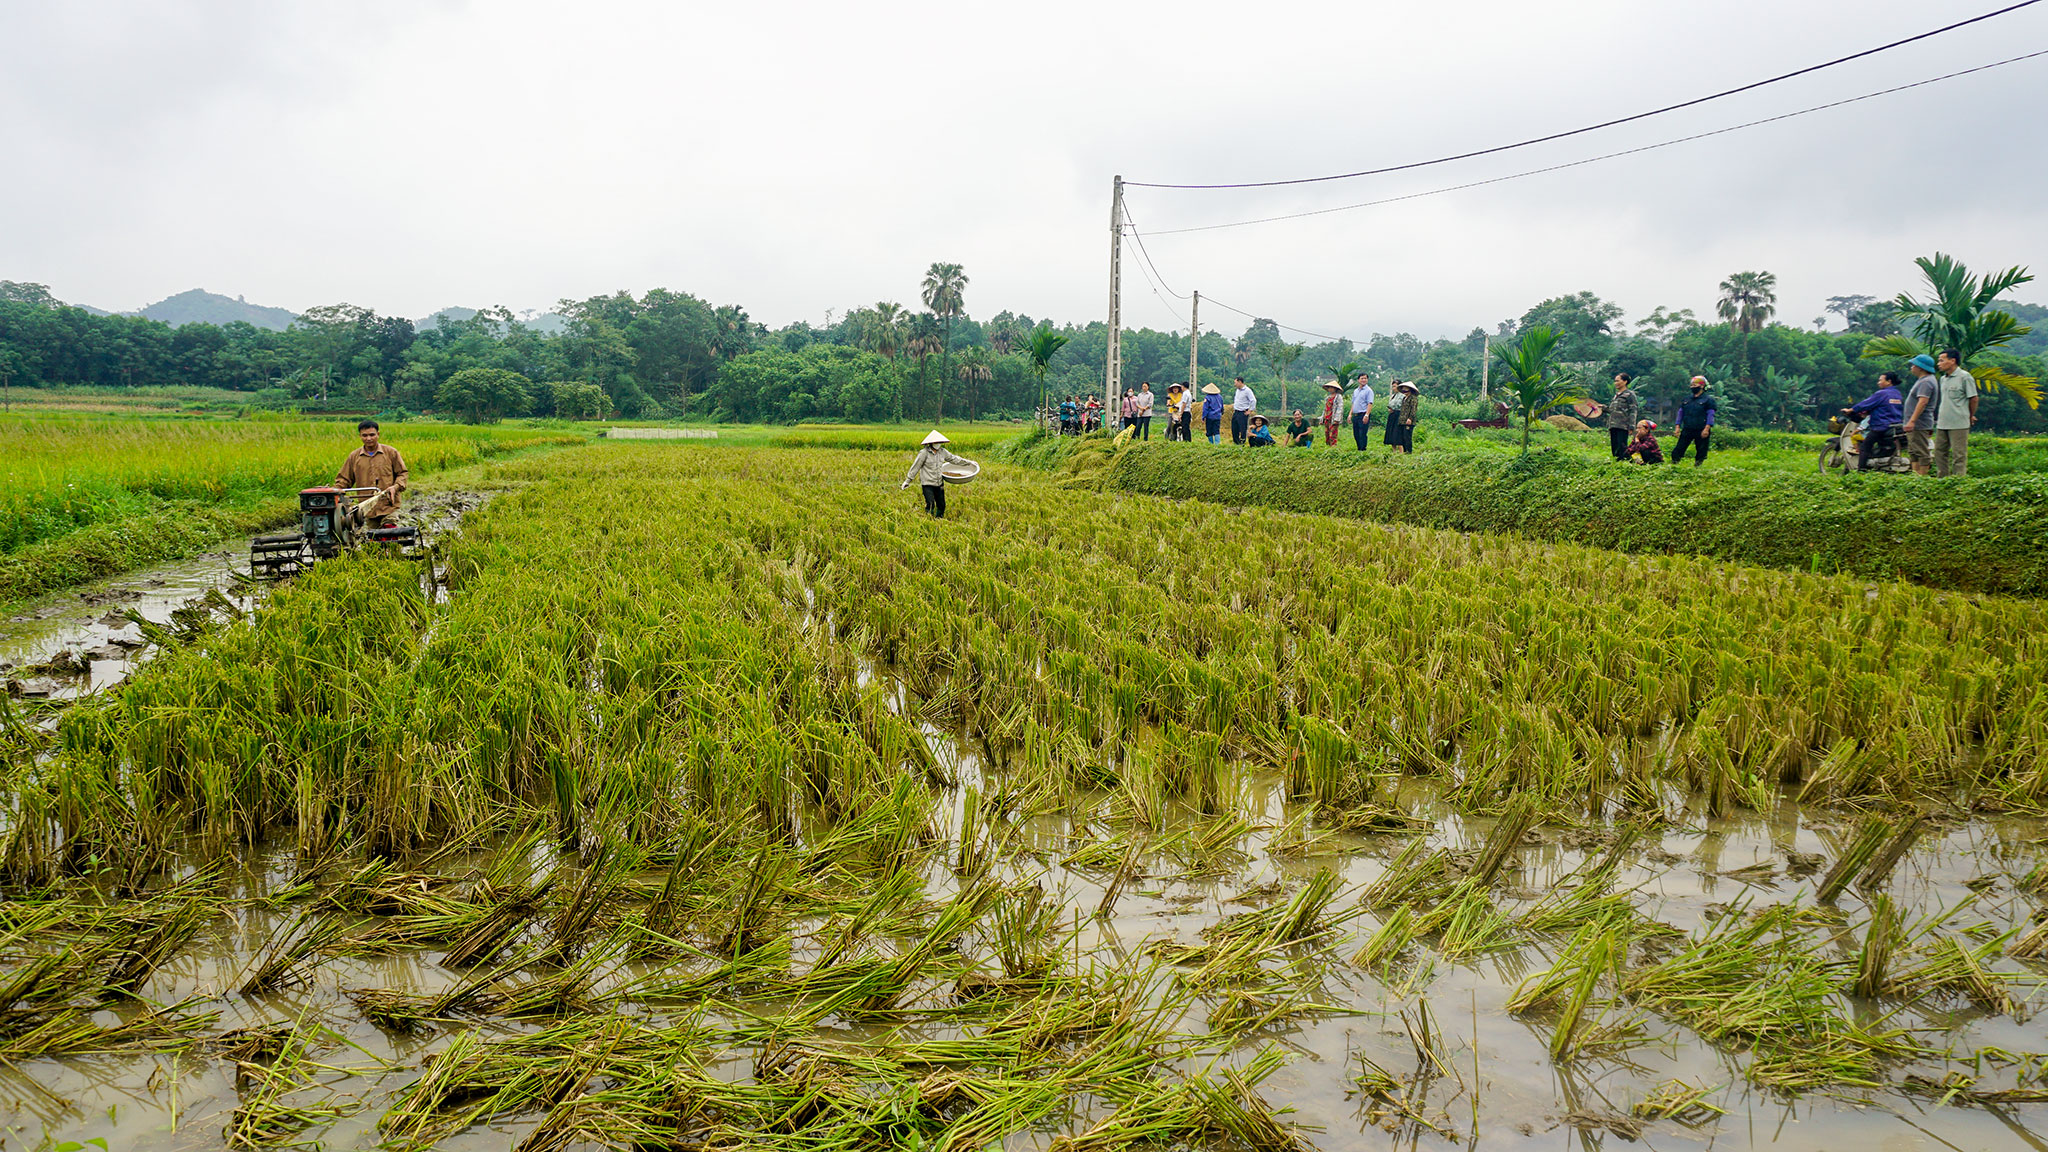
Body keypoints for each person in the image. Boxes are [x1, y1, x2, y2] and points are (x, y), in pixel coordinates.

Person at [333, 419, 408, 529]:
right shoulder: (354, 457)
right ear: (360, 436)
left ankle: (392, 544)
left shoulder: (391, 453)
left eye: (372, 435)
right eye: (365, 435)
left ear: (378, 434)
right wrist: (334, 493)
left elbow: (402, 473)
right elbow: (344, 480)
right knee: (373, 538)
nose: (368, 438)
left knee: (389, 529)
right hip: (367, 507)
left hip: (389, 504)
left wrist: (395, 487)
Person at [1845, 371, 1905, 471]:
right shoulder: (1897, 393)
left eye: (1880, 380)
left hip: (1881, 426)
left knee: (1865, 447)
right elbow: (1885, 407)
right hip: (1895, 425)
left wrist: (1851, 410)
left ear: (1889, 381)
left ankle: (1861, 470)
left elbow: (1866, 403)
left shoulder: (1882, 393)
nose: (1878, 382)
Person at [1932, 348, 1979, 477]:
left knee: (1959, 454)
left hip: (1959, 422)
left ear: (1952, 361)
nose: (1938, 363)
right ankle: (1942, 479)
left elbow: (1973, 398)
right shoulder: (1943, 379)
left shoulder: (1965, 377)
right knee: (1939, 452)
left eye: (1942, 360)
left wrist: (1970, 415)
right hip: (1943, 422)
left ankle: (1958, 480)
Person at [901, 430, 968, 518]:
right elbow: (916, 467)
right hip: (927, 483)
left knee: (942, 505)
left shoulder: (943, 452)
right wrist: (908, 480)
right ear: (931, 443)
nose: (938, 444)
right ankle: (929, 520)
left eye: (940, 442)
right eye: (936, 442)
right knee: (931, 504)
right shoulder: (924, 453)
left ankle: (939, 520)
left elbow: (954, 459)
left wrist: (969, 462)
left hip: (939, 483)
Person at [1588, 373, 1639, 461]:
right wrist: (1603, 408)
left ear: (1625, 381)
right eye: (1615, 381)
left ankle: (1626, 463)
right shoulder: (1616, 395)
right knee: (1614, 447)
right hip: (1613, 425)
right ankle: (1617, 463)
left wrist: (1632, 426)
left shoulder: (1629, 395)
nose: (1615, 383)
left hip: (1623, 425)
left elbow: (1633, 411)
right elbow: (1612, 410)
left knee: (1622, 446)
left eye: (1617, 381)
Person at [1903, 354, 1940, 475]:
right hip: (1915, 424)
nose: (1912, 367)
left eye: (1914, 365)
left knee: (1921, 451)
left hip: (1919, 423)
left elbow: (1923, 401)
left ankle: (1922, 476)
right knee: (1913, 451)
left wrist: (1912, 421)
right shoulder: (1923, 381)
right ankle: (1915, 475)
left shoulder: (1926, 382)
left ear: (1921, 368)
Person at [1669, 376, 1716, 466]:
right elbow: (1680, 413)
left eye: (1695, 384)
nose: (1693, 386)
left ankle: (1697, 467)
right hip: (1687, 428)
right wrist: (1677, 426)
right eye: (1692, 384)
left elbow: (1711, 414)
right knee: (1679, 449)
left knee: (1701, 450)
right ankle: (1674, 465)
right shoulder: (1687, 399)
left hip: (1701, 428)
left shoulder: (1708, 400)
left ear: (1702, 386)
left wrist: (1707, 428)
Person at [1390, 381, 1419, 454]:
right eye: (1403, 390)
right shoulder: (1404, 398)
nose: (1404, 391)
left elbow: (1413, 410)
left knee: (1407, 437)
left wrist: (1410, 418)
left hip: (1409, 421)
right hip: (1402, 420)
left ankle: (1409, 451)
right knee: (1402, 437)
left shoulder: (1413, 398)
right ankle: (1405, 451)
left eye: (1406, 390)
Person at [1349, 375, 1375, 450]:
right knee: (1356, 433)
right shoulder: (1356, 391)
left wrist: (1367, 415)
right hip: (1356, 415)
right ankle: (1358, 448)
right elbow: (1353, 403)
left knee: (1362, 433)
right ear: (1358, 380)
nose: (1364, 380)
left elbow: (1370, 403)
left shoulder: (1369, 391)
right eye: (1362, 378)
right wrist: (1350, 414)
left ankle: (1363, 449)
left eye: (1365, 378)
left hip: (1363, 414)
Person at [1230, 377, 1256, 445]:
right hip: (1236, 411)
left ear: (1240, 382)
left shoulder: (1247, 390)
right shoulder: (1237, 390)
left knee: (1242, 428)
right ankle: (1236, 442)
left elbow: (1253, 400)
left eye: (1235, 382)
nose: (1235, 384)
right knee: (1234, 427)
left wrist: (1250, 410)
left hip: (1243, 412)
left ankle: (1242, 442)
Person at [1319, 381, 1343, 446]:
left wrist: (1337, 419)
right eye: (1329, 388)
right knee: (1326, 433)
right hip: (1327, 417)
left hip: (1333, 418)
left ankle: (1333, 447)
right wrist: (1322, 418)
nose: (1330, 389)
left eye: (1332, 388)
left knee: (1333, 433)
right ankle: (1328, 446)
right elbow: (1325, 408)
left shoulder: (1338, 397)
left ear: (1335, 388)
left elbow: (1340, 408)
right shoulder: (1328, 397)